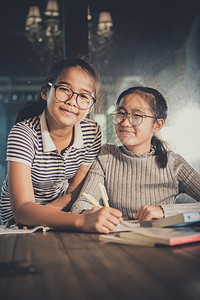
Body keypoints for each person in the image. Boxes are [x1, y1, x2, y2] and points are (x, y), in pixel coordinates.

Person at [0, 57, 122, 233]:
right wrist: (82, 220)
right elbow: (22, 209)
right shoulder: (23, 133)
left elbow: (73, 193)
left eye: (84, 96)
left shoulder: (92, 133)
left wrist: (38, 216)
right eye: (65, 89)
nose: (72, 101)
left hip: (57, 217)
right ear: (45, 92)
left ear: (89, 106)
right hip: (14, 224)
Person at [71, 86, 200, 221]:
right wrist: (89, 213)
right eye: (121, 113)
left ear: (157, 125)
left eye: (137, 115)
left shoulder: (173, 164)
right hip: (118, 238)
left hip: (162, 238)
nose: (125, 122)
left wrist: (164, 211)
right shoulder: (106, 156)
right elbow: (81, 204)